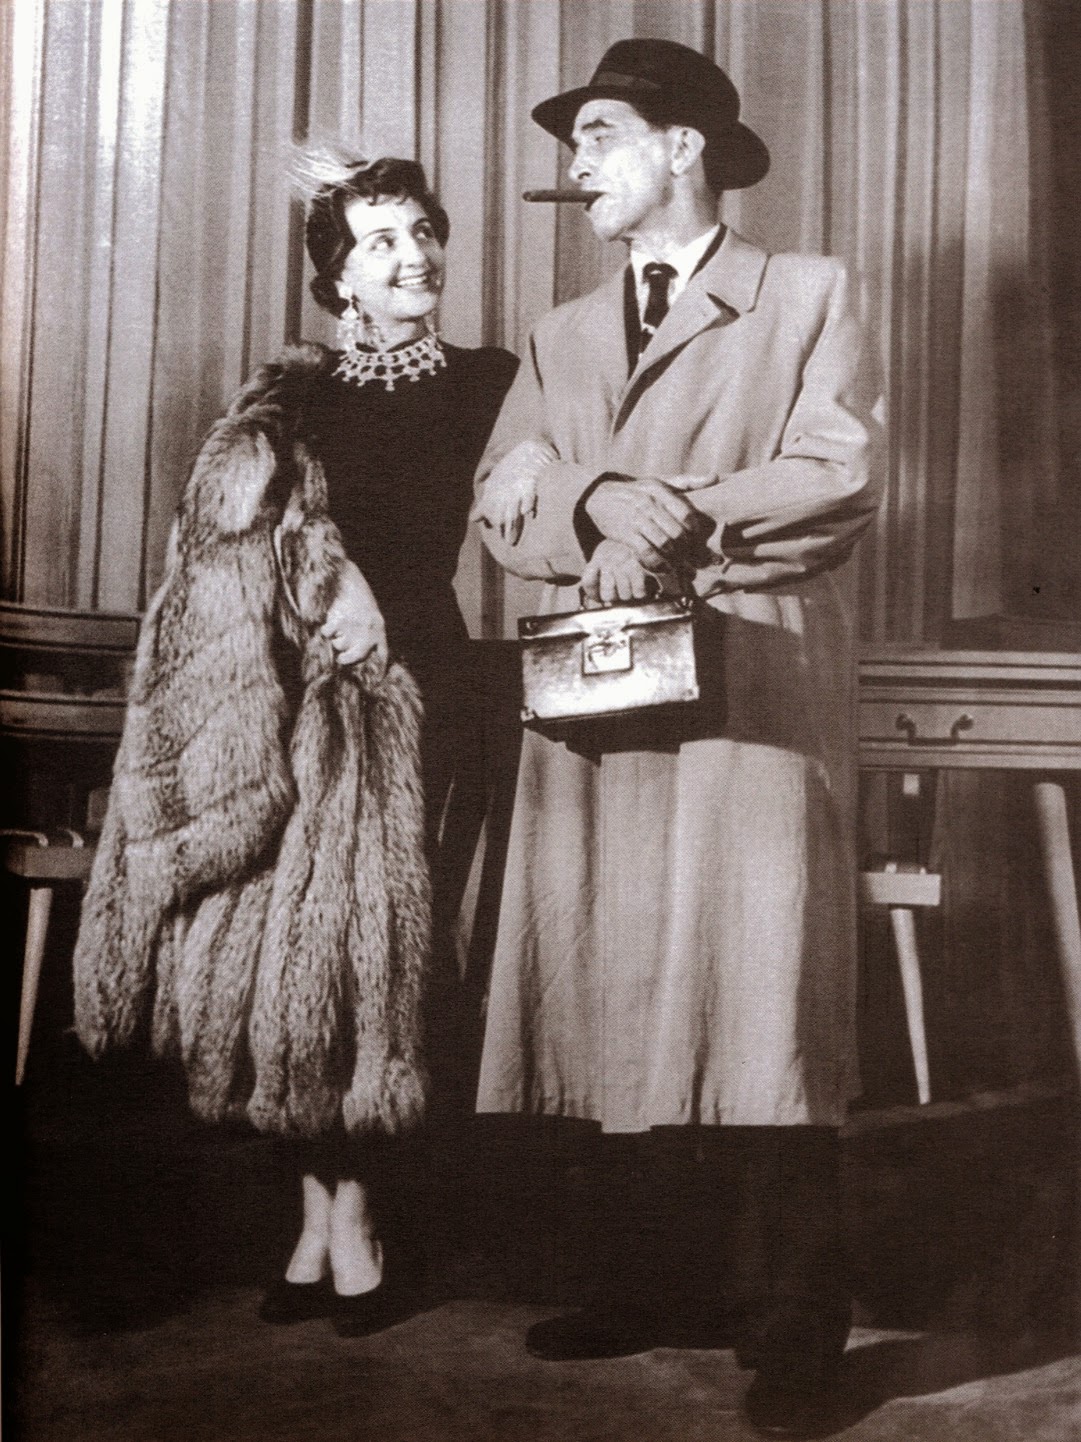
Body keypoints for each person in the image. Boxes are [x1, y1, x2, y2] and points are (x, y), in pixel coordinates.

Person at [472, 39, 881, 1437]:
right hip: (602, 687)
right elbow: (502, 498)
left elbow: (838, 471)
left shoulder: (807, 292)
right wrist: (593, 500)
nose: (576, 162)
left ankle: (795, 1325)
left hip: (752, 680)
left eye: (598, 132)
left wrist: (677, 512)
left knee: (760, 988)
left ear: (686, 145)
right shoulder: (559, 334)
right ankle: (644, 1281)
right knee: (616, 962)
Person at [73, 150, 517, 1338]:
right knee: (281, 948)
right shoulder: (293, 396)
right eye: (380, 241)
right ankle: (315, 1216)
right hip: (288, 689)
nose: (413, 255)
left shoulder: (492, 380)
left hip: (413, 689)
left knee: (371, 953)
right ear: (339, 281)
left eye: (421, 230)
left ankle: (355, 1215)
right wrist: (328, 575)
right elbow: (231, 541)